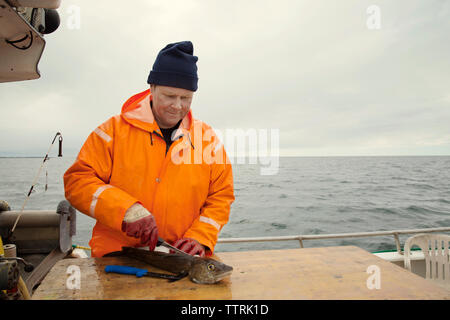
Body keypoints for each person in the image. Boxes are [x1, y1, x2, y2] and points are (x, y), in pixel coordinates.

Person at [63, 41, 235, 258]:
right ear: (152, 88)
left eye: (186, 98)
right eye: (170, 96)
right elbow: (77, 181)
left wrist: (200, 237)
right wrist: (125, 210)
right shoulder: (112, 132)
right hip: (117, 257)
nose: (178, 105)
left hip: (182, 259)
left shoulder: (207, 139)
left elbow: (221, 195)